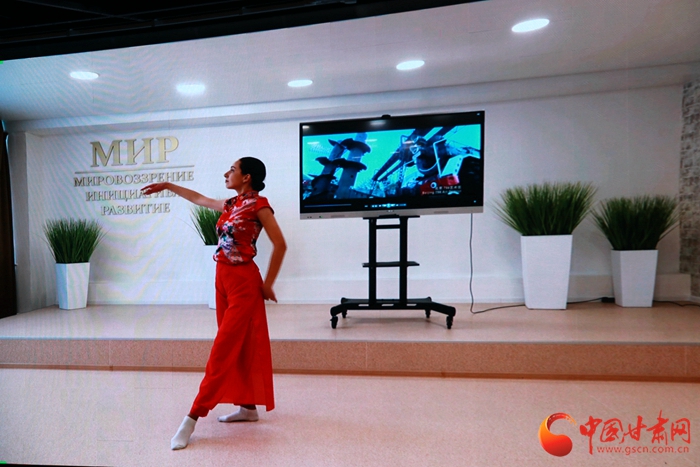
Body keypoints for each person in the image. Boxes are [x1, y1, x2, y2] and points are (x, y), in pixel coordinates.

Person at [141, 157, 287, 450]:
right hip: (222, 280)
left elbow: (280, 244)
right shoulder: (231, 204)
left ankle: (192, 417)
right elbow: (198, 198)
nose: (226, 173)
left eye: (232, 169)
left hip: (243, 282)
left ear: (246, 177)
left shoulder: (260, 206)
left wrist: (268, 284)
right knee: (237, 346)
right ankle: (248, 407)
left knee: (221, 350)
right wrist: (168, 185)